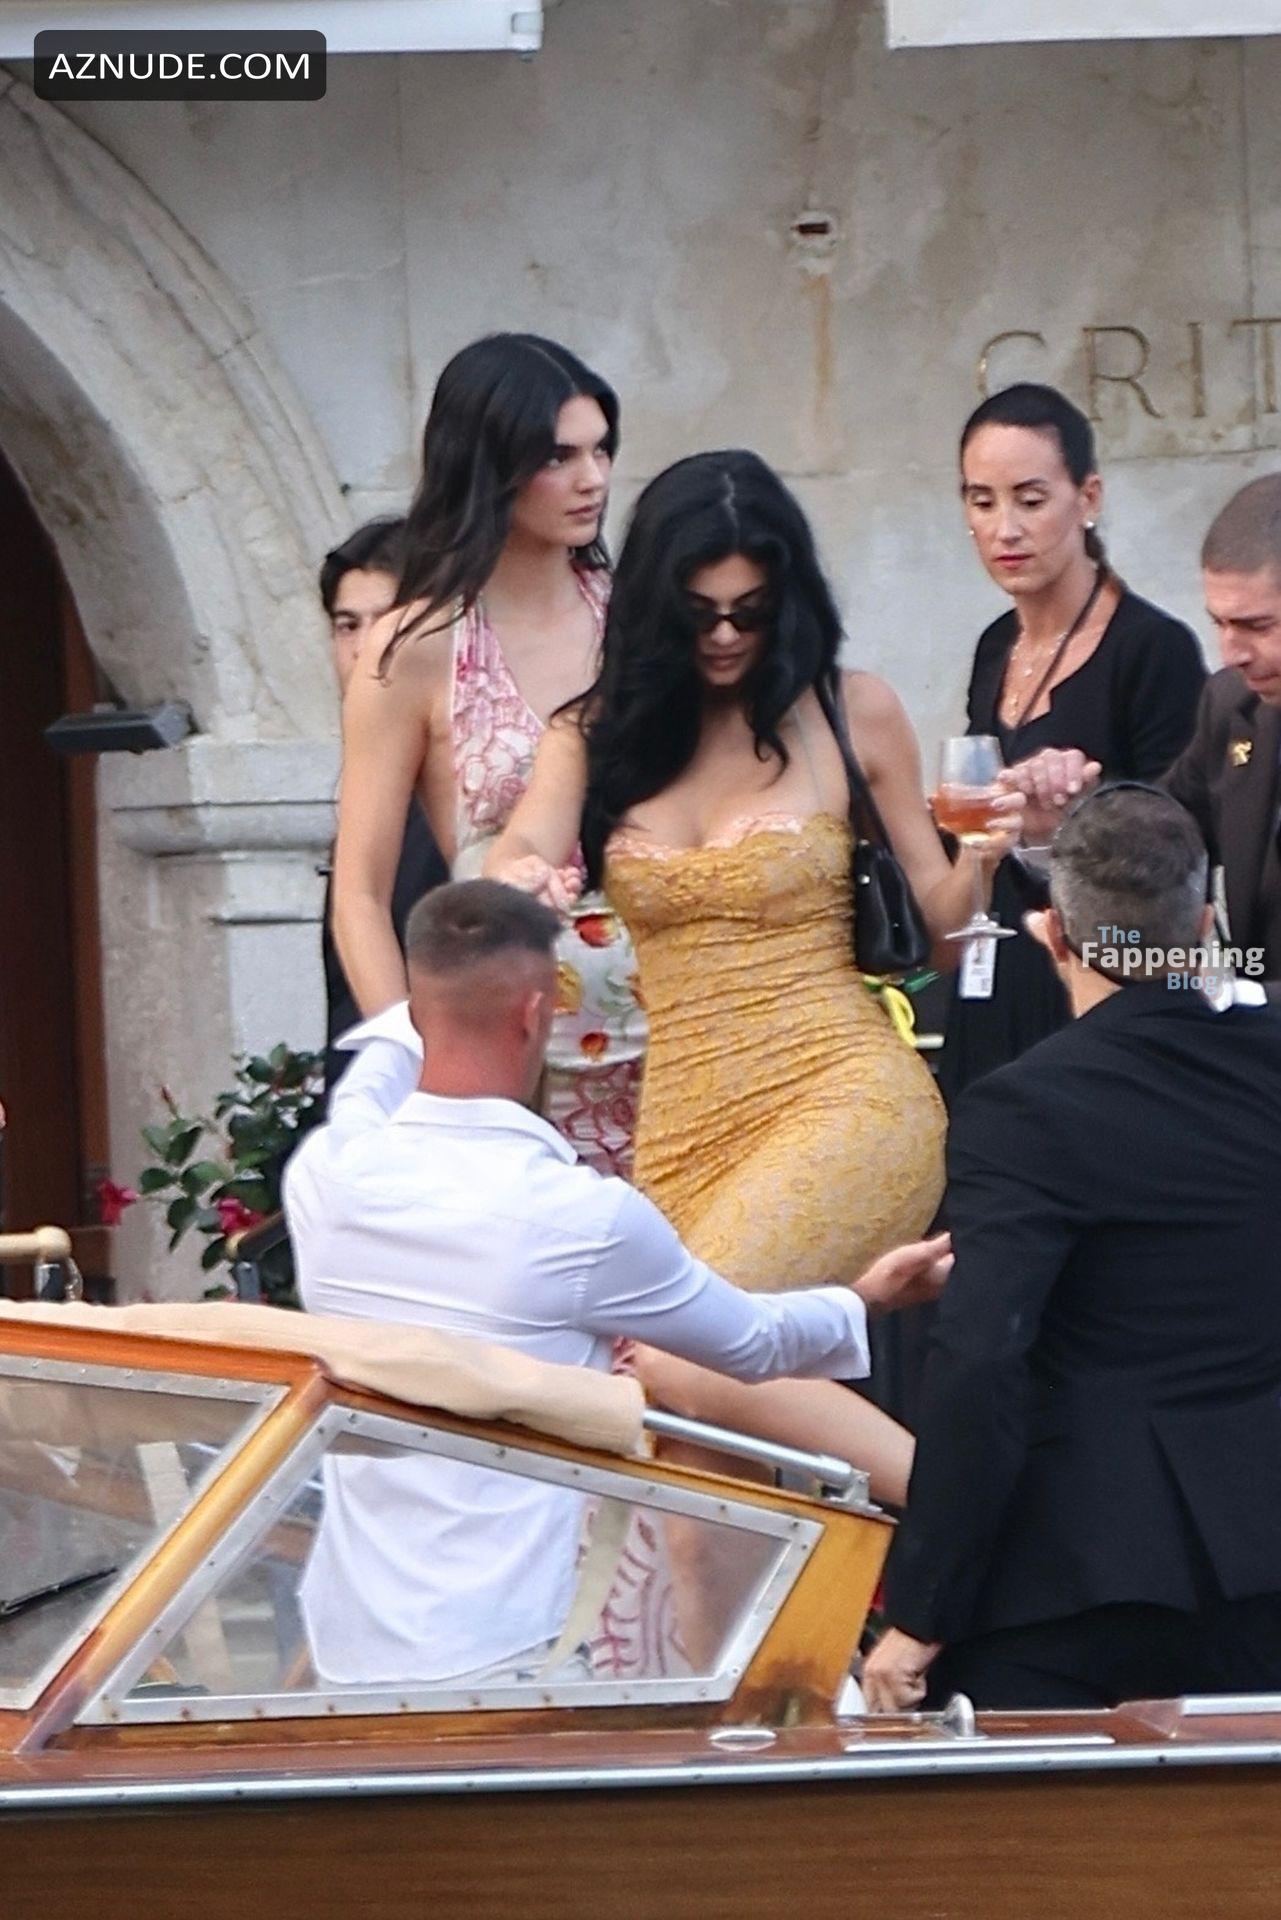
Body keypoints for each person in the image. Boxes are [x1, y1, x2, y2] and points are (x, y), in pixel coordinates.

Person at [485, 449, 1021, 1502]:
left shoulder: (848, 709)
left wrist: (985, 857)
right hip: (684, 1125)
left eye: (752, 611)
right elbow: (520, 847)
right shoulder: (594, 734)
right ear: (655, 610)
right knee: (695, 1454)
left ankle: (978, 1522)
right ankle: (786, 1629)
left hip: (843, 1093)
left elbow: (944, 931)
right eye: (701, 615)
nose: (728, 636)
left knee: (683, 1356)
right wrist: (523, 878)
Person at [285, 880, 950, 1688]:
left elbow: (371, 1076)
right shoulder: (580, 1216)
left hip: (349, 1645)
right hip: (509, 1652)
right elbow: (752, 1343)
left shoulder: (326, 1174)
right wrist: (867, 1297)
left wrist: (414, 1015)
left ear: (421, 1009)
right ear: (537, 1013)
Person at [863, 786, 1281, 1713]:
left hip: (1086, 1582)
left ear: (1053, 934)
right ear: (1202, 926)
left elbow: (981, 1360)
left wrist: (921, 1611)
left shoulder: (1024, 1107)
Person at [331, 334, 645, 1175]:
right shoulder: (415, 646)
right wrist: (415, 1068)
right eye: (558, 457)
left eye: (601, 450)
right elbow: (359, 893)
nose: (592, 478)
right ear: (488, 464)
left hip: (678, 1044)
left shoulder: (643, 618)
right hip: (508, 1066)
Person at [938, 383, 1205, 1103]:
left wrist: (1075, 818)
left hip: (1100, 989)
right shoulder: (995, 645)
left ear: (1087, 498)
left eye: (1030, 500)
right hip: (996, 966)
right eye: (981, 501)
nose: (1005, 529)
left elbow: (1182, 844)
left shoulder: (1151, 648)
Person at [1010, 474, 1281, 997]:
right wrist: (1061, 827)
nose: (1231, 653)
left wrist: (1232, 999)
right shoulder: (1232, 706)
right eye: (1220, 624)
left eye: (1258, 626)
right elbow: (1156, 844)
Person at [318, 517, 448, 1089]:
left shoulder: (468, 778)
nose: (367, 646)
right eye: (348, 625)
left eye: (391, 619)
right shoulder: (361, 777)